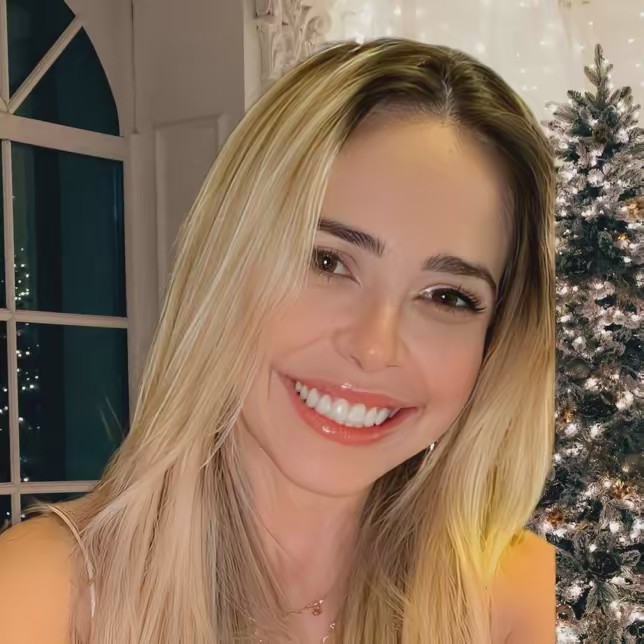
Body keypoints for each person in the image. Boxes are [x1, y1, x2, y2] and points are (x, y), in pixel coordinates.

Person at [0, 38, 556, 643]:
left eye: (447, 297)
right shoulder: (39, 592)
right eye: (326, 260)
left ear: (496, 341)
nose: (375, 347)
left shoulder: (518, 594)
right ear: (229, 263)